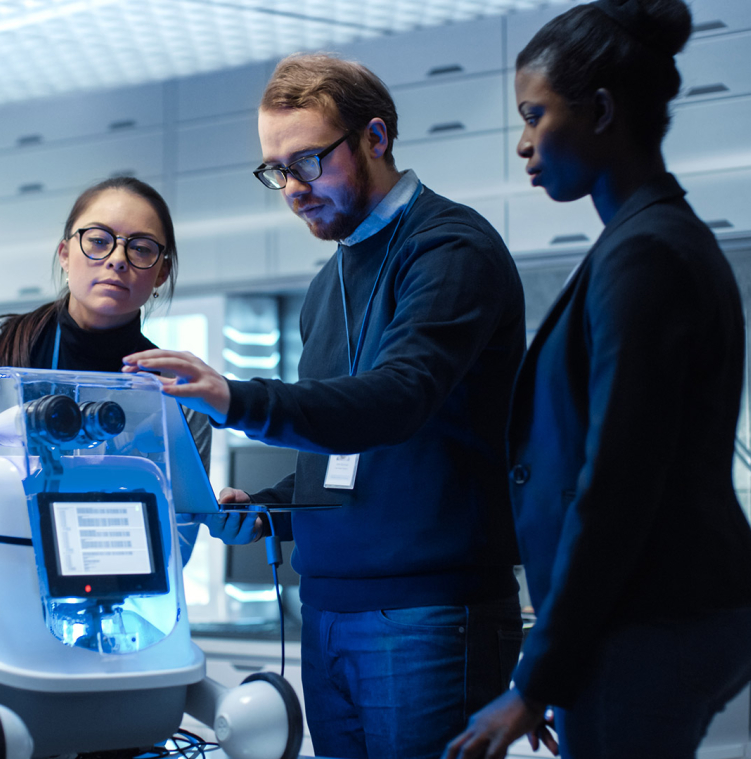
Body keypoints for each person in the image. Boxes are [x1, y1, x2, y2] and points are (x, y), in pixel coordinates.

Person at [124, 53, 527, 759]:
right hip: (329, 611)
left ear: (375, 137)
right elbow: (349, 451)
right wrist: (272, 505)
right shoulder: (326, 286)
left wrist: (234, 397)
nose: (290, 187)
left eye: (307, 161)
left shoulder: (449, 250)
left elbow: (398, 401)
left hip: (429, 613)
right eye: (275, 169)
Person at [442, 2, 751, 758]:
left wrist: (536, 678)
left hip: (656, 613)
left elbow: (618, 485)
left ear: (600, 110)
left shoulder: (645, 255)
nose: (524, 143)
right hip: (660, 609)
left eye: (535, 115)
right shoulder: (649, 240)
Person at [0, 175, 212, 487]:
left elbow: (180, 525)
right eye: (99, 241)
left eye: (141, 248)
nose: (117, 260)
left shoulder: (174, 392)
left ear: (161, 272)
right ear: (65, 255)